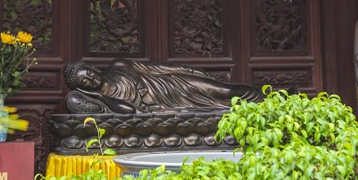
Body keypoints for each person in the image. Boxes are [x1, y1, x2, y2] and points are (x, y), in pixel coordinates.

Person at [63, 59, 263, 114]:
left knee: (226, 91)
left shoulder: (118, 66)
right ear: (84, 88)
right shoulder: (109, 103)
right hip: (165, 106)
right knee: (224, 107)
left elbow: (158, 69)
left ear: (91, 67)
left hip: (175, 84)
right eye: (85, 82)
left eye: (88, 73)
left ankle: (269, 100)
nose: (91, 79)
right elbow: (129, 110)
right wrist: (100, 97)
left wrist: (191, 71)